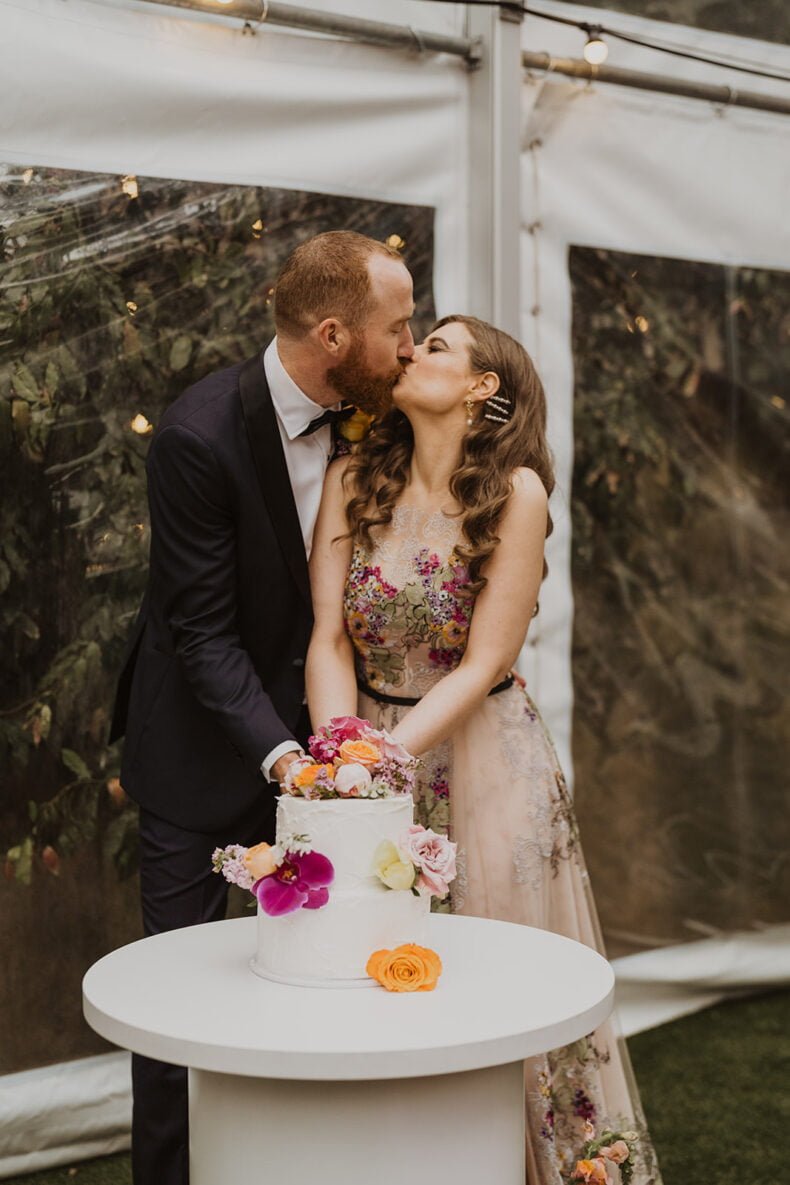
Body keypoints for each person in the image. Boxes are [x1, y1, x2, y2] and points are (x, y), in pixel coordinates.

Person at [306, 314, 662, 1184]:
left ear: (482, 386)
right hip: (365, 744)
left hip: (484, 755)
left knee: (495, 982)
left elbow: (486, 661)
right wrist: (336, 759)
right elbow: (328, 638)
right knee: (370, 969)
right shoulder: (353, 476)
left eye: (436, 345)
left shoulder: (516, 493)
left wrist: (377, 763)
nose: (409, 350)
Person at [109, 230, 415, 1185]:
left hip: (329, 748)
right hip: (202, 761)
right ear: (334, 337)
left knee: (319, 983)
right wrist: (294, 764)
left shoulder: (378, 415)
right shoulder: (197, 436)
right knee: (176, 1006)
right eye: (399, 328)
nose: (411, 347)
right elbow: (201, 635)